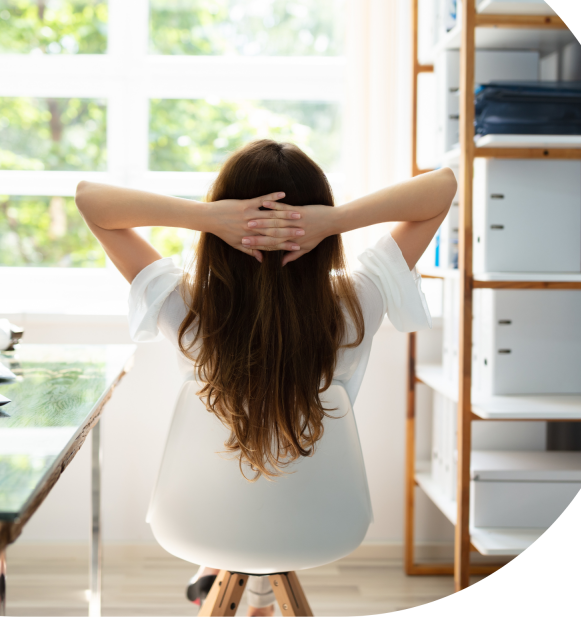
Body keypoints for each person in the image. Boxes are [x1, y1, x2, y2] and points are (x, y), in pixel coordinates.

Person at [76, 139, 456, 616]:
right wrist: (332, 220)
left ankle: (219, 573)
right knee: (272, 487)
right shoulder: (357, 304)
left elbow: (90, 199)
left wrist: (211, 218)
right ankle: (251, 591)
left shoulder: (189, 309)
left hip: (203, 519)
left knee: (236, 486)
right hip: (318, 519)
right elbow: (443, 187)